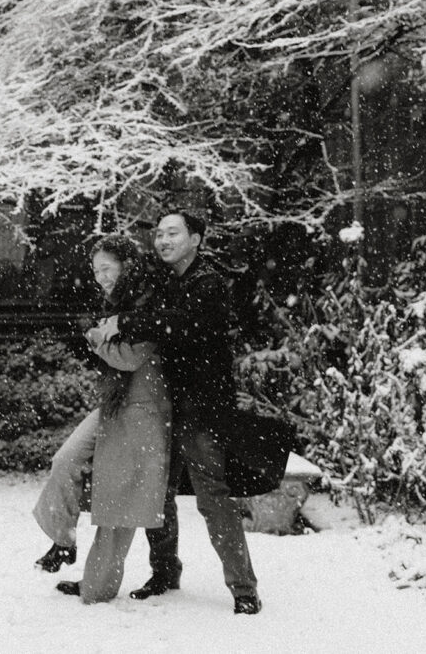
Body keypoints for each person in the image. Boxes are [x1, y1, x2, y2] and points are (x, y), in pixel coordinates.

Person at [100, 207, 262, 615]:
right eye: (159, 233)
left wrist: (132, 322)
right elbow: (142, 311)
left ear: (196, 239)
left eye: (174, 233)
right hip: (163, 402)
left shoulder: (209, 283)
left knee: (212, 495)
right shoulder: (159, 281)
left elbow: (182, 325)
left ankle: (243, 587)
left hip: (202, 405)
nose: (164, 240)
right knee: (159, 491)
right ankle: (165, 570)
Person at [32, 235, 172, 604]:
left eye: (107, 268)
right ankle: (63, 541)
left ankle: (98, 586)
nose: (100, 278)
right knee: (65, 459)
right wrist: (102, 332)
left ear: (127, 265)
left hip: (144, 409)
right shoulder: (117, 304)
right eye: (96, 271)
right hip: (115, 403)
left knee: (118, 501)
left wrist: (96, 335)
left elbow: (130, 357)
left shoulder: (149, 301)